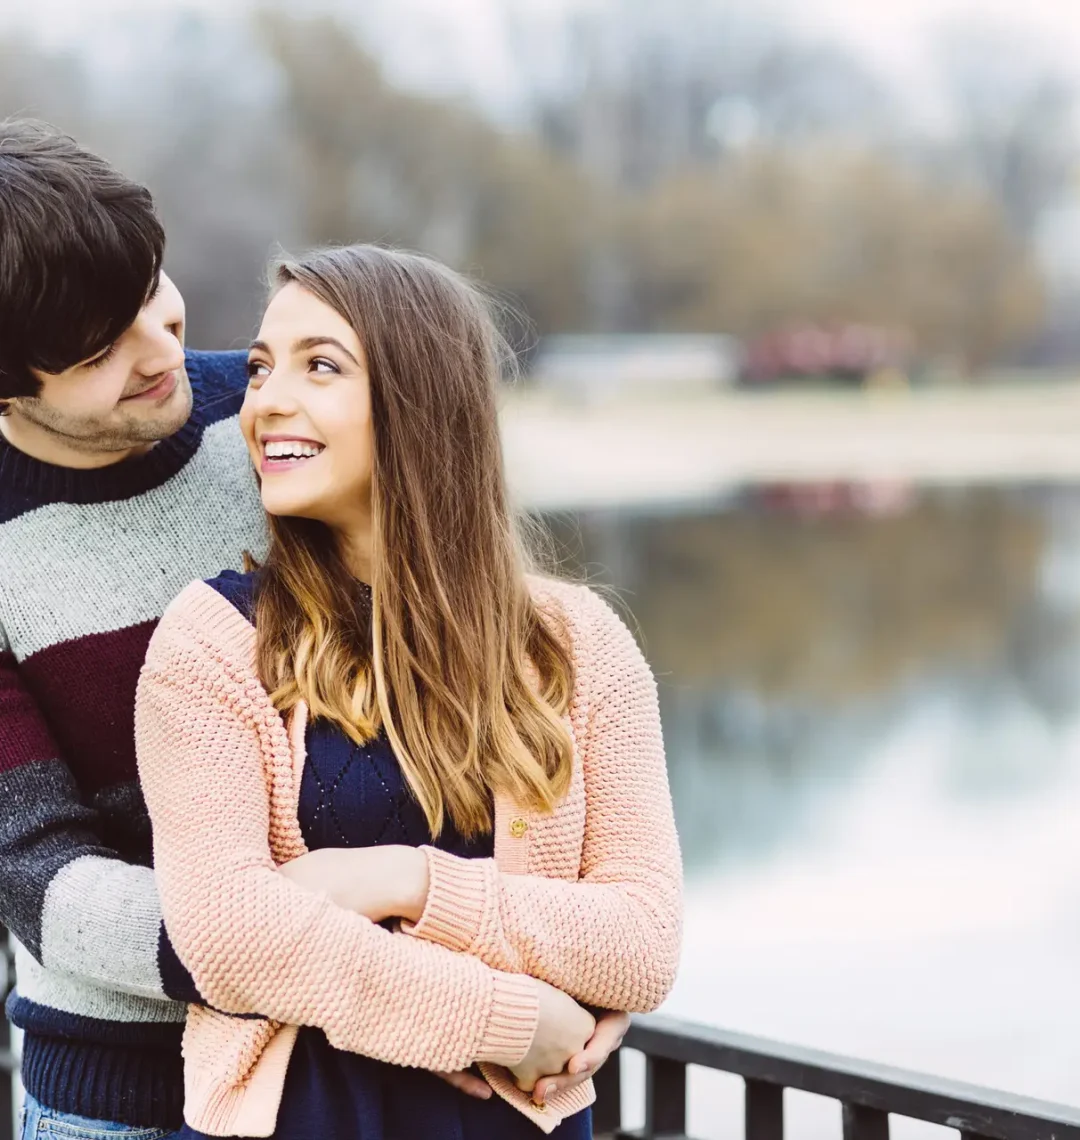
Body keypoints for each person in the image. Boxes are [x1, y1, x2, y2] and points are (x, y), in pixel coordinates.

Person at [0, 119, 631, 1140]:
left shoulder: (275, 415)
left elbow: (456, 601)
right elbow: (39, 876)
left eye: (153, 300)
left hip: (394, 1074)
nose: (163, 355)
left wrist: (558, 964)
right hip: (126, 1091)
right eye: (103, 351)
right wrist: (451, 996)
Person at [135, 244, 684, 1139]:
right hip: (306, 1116)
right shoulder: (213, 643)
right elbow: (226, 936)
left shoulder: (579, 645)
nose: (267, 398)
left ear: (421, 398)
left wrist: (401, 881)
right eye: (264, 368)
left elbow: (642, 940)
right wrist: (496, 1016)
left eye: (320, 367)